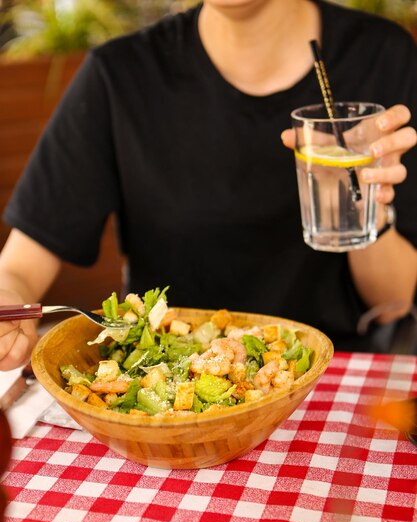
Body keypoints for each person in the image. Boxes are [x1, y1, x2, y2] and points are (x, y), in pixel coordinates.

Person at [0, 0, 417, 371]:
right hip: (162, 381)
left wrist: (368, 201)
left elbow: (391, 302)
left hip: (328, 380)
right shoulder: (120, 73)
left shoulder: (381, 55)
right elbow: (19, 268)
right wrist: (8, 301)